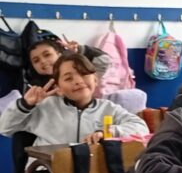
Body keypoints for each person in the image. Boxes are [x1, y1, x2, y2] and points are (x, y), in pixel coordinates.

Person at [1, 52, 148, 146]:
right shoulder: (45, 107)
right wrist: (25, 104)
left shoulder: (109, 108)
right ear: (58, 87)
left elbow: (141, 128)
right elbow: (5, 128)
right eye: (68, 78)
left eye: (83, 74)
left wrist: (108, 132)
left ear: (95, 79)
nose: (78, 81)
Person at [23, 34, 112, 90]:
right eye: (36, 60)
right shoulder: (36, 88)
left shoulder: (82, 74)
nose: (42, 61)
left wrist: (79, 50)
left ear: (59, 54)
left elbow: (104, 62)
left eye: (47, 55)